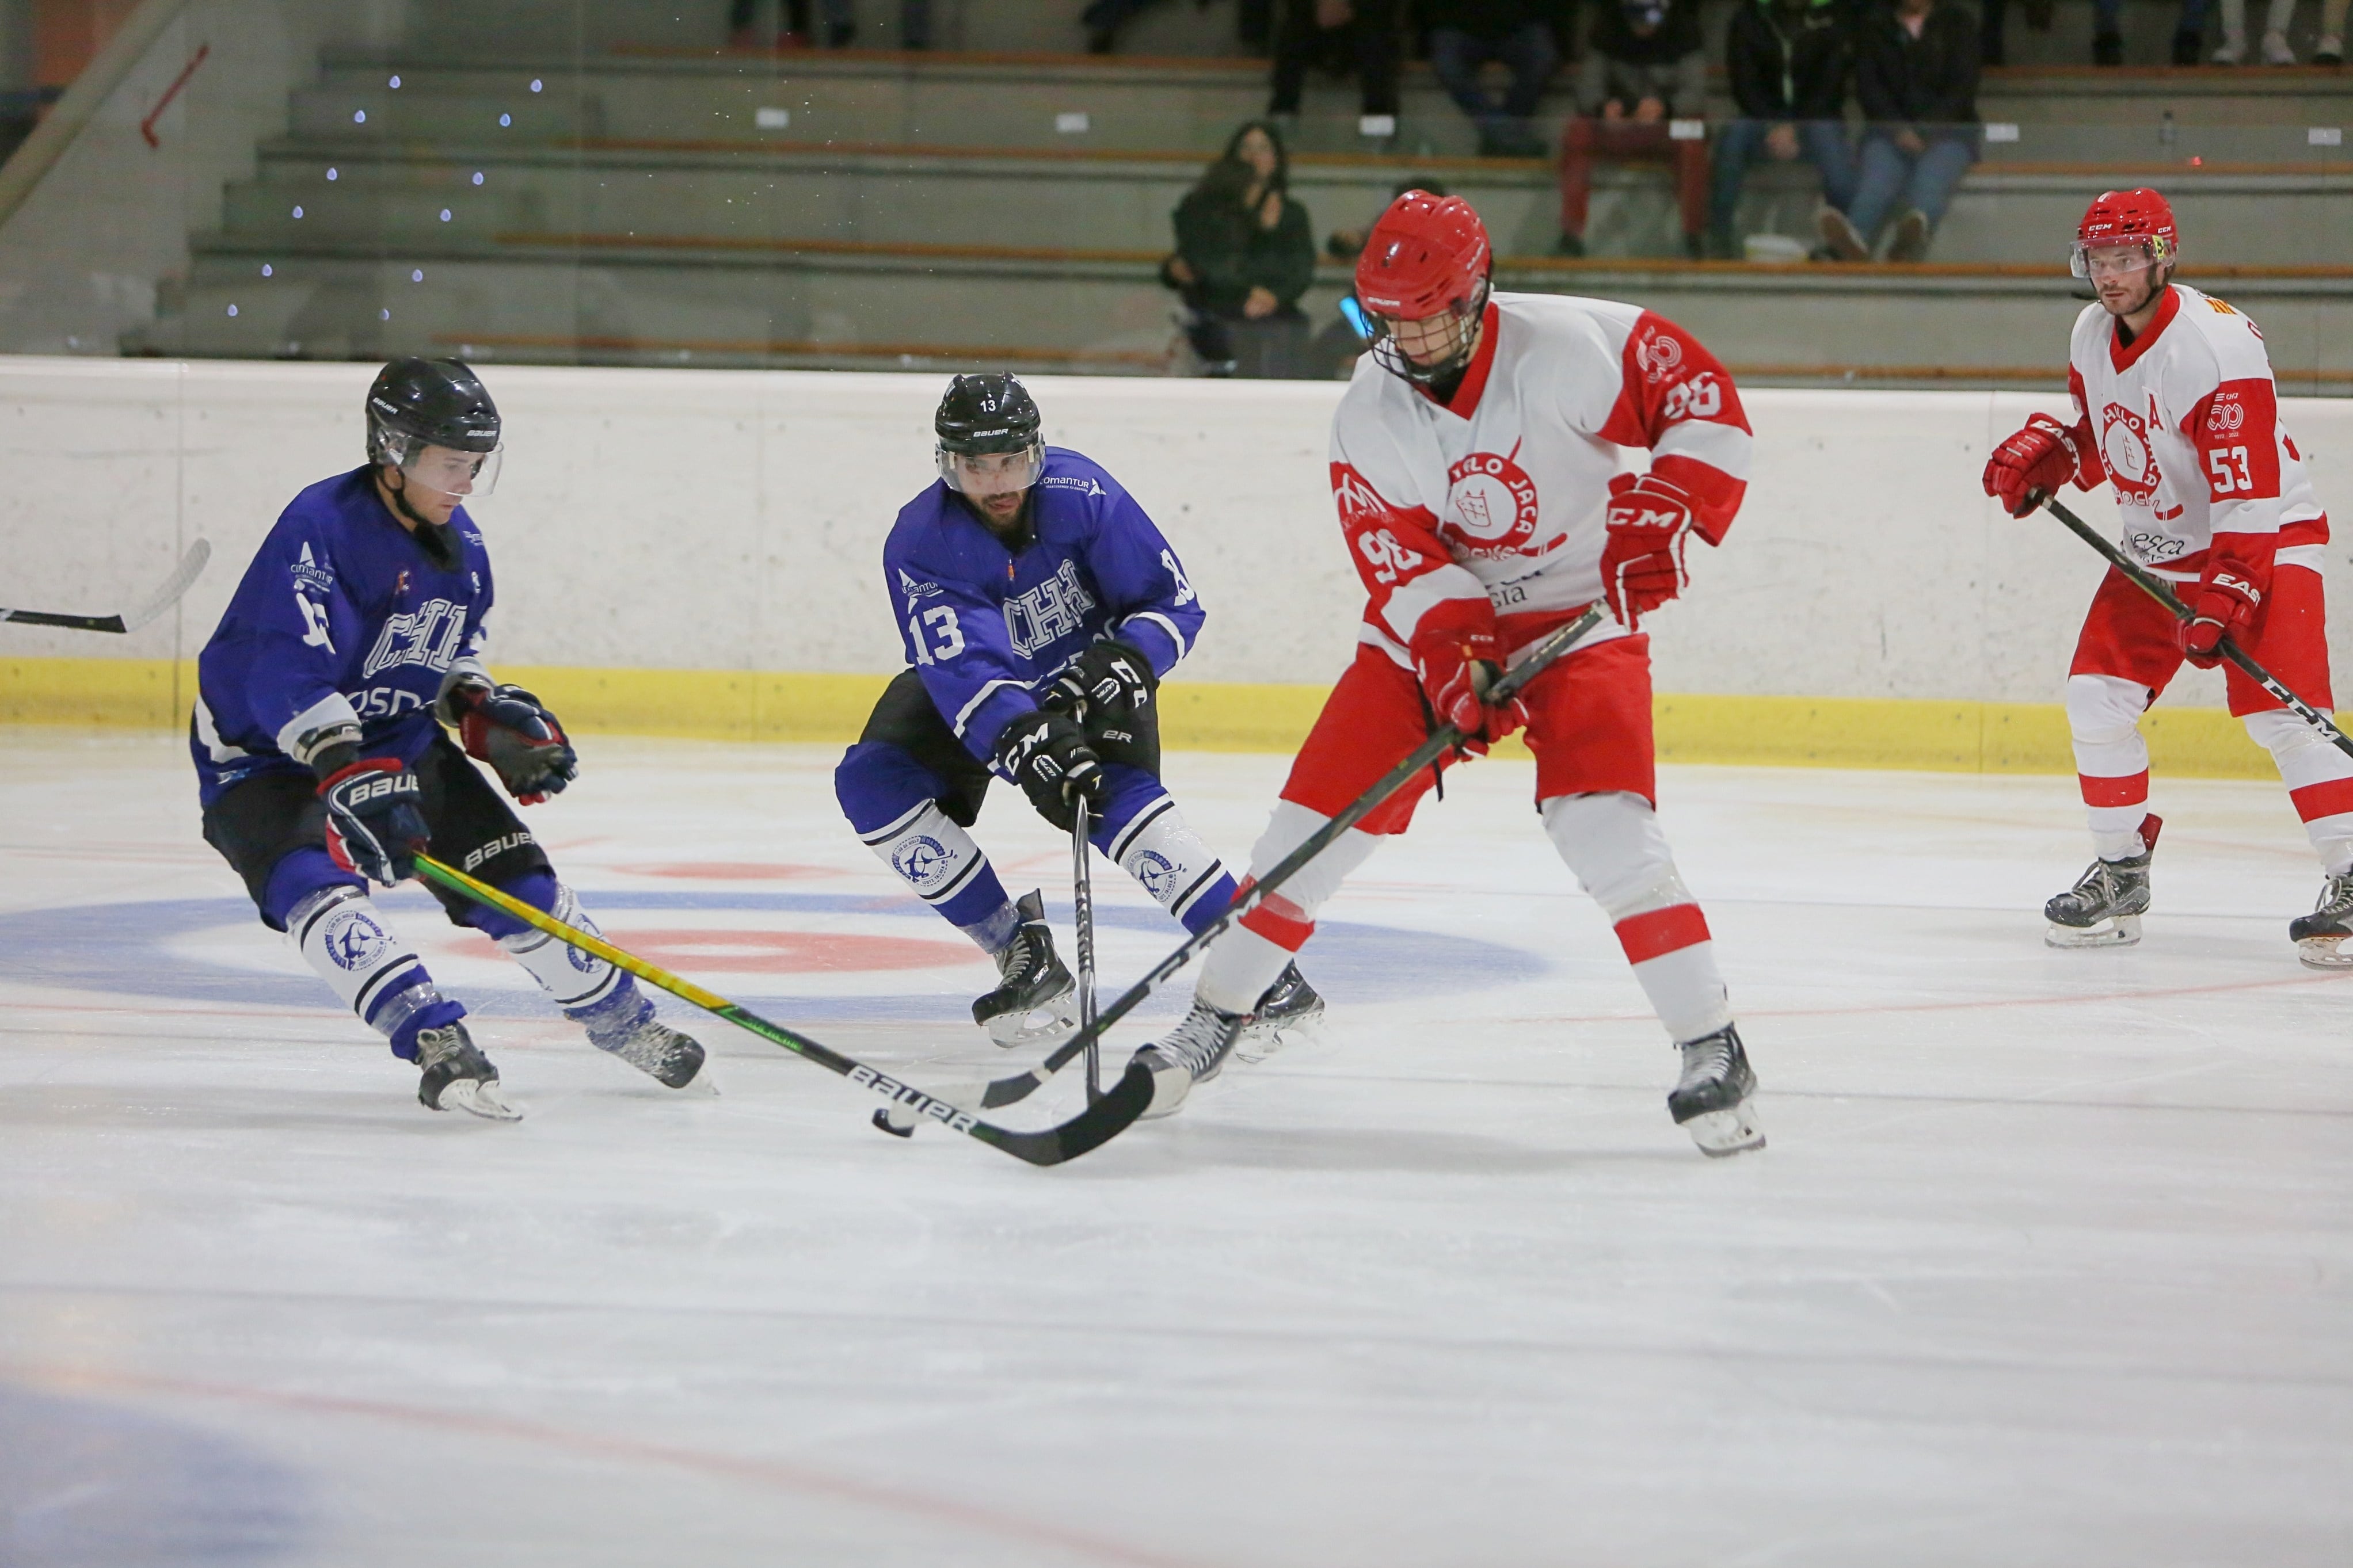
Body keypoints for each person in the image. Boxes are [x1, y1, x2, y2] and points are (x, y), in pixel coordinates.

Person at [1127, 193, 1764, 1158]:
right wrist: (1452, 653)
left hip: (1577, 623)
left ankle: (1710, 1045)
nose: (1414, 338)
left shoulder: (1567, 345)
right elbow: (1394, 556)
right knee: (1310, 832)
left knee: (1606, 832)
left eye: (1433, 313)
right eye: (1391, 320)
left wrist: (1669, 505)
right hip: (1422, 640)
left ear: (1477, 292)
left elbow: (1704, 403)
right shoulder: (1366, 411)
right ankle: (1219, 1015)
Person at [190, 360, 710, 1120]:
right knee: (315, 885)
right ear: (393, 453)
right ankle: (430, 1035)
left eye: (476, 466)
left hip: (389, 739)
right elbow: (282, 673)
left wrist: (479, 709)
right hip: (263, 756)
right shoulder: (320, 527)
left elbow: (439, 656)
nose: (466, 482)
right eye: (452, 464)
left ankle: (621, 1019)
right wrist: (346, 773)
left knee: (515, 876)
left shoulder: (459, 545)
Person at [832, 373, 1322, 1053]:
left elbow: (1171, 603)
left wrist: (1128, 658)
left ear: (1036, 451)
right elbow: (960, 662)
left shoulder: (1083, 493)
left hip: (1092, 682)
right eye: (975, 465)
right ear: (948, 464)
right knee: (870, 782)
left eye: (1011, 461)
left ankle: (1263, 970)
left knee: (1117, 806)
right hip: (984, 699)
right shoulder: (920, 539)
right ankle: (1019, 952)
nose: (996, 481)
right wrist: (1020, 732)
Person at [1981, 189, 2352, 963]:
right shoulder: (2090, 331)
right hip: (2161, 548)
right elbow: (2110, 435)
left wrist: (2229, 593)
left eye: (2124, 259)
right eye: (2097, 261)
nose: (2109, 276)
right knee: (2096, 697)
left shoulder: (2216, 347)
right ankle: (2121, 871)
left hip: (2264, 541)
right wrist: (2054, 457)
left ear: (2161, 258)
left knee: (2282, 716)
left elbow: (2248, 491)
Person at [1162, 121, 1319, 379]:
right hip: (1216, 305)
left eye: (1263, 148)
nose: (1254, 156)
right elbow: (1206, 260)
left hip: (1274, 308)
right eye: (1246, 147)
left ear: (1277, 159)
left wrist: (1274, 296)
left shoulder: (1291, 213)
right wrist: (1247, 290)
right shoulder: (1202, 207)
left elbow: (1300, 268)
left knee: (1291, 329)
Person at [1556, 0, 1709, 258]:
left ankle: (1692, 234)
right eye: (1636, 17)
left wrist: (1666, 108)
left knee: (1693, 134)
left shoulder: (1685, 33)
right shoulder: (1606, 31)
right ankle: (1571, 234)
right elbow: (1587, 88)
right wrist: (1603, 108)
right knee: (1578, 133)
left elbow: (1696, 92)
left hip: (1666, 128)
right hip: (1617, 129)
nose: (1643, 26)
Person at [1829, 0, 1978, 263]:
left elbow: (1963, 87)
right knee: (1876, 184)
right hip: (1888, 134)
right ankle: (1851, 244)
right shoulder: (1875, 25)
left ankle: (1906, 247)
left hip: (1949, 134)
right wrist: (1898, 130)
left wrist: (1926, 131)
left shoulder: (1958, 23)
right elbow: (1869, 87)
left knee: (1929, 186)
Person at [1710, 0, 1857, 261]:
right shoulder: (1749, 18)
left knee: (1837, 165)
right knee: (1732, 141)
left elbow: (1831, 85)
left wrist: (1796, 127)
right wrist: (1775, 123)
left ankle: (1840, 246)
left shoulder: (1833, 18)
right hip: (1761, 120)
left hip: (1816, 120)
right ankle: (1718, 241)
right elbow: (1744, 82)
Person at [1423, 0, 1562, 158]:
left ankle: (1500, 137)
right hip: (1457, 25)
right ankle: (1508, 137)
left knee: (1543, 58)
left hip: (1520, 25)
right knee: (1447, 65)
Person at [1269, 0, 1405, 147]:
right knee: (1293, 30)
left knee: (1376, 35)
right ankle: (1283, 120)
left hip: (1365, 20)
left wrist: (1351, 6)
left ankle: (1377, 125)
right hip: (1313, 20)